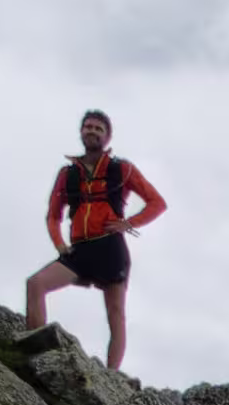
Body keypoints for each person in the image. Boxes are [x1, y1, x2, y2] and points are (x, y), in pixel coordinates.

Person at [25, 111, 165, 368]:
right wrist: (59, 244)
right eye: (88, 127)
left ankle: (111, 377)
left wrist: (128, 223)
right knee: (35, 284)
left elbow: (157, 203)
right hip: (78, 249)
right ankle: (37, 354)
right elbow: (53, 216)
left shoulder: (121, 169)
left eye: (98, 129)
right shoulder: (68, 174)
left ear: (107, 136)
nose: (92, 131)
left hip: (111, 247)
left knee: (116, 314)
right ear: (81, 132)